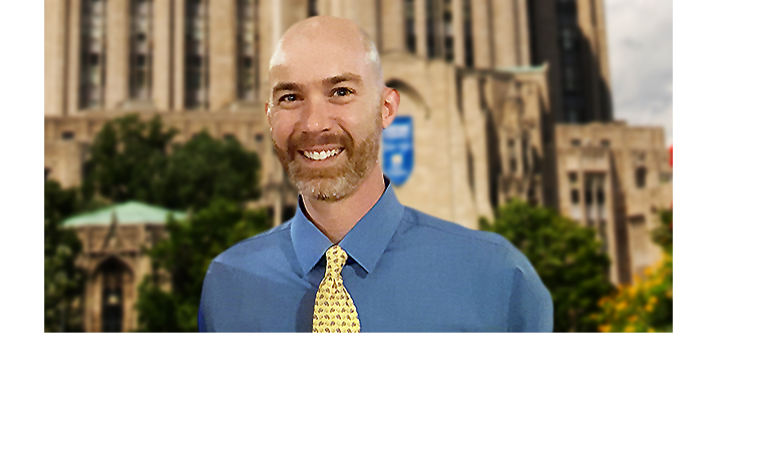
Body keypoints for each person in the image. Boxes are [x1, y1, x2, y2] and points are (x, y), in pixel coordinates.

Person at [199, 16, 553, 333]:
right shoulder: (227, 285)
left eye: (341, 92)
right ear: (269, 116)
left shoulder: (497, 277)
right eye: (290, 97)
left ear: (386, 108)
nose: (314, 123)